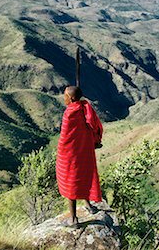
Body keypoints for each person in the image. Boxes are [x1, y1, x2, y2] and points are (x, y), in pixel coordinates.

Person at [56, 85, 103, 227]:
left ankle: (74, 219)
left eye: (65, 95)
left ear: (70, 98)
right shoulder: (84, 107)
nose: (63, 98)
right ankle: (89, 205)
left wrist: (61, 152)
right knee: (85, 175)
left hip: (71, 154)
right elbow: (93, 126)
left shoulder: (70, 112)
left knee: (71, 181)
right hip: (85, 150)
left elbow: (66, 137)